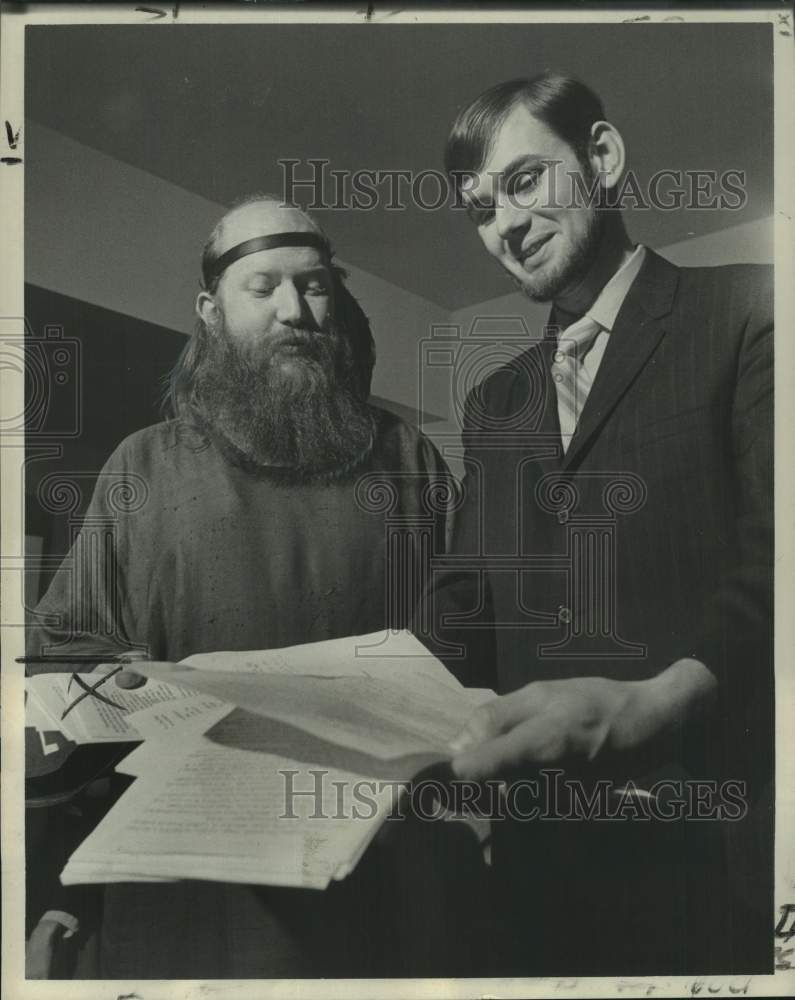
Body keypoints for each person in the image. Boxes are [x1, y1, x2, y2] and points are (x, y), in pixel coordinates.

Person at [25, 195, 485, 978]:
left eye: (313, 287)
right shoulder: (142, 467)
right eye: (263, 286)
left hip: (375, 866)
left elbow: (465, 647)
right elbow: (63, 665)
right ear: (211, 311)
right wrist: (126, 696)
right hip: (189, 877)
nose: (295, 310)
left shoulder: (409, 461)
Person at [428, 73, 773, 974]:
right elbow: (463, 599)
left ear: (603, 158)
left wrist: (648, 707)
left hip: (718, 848)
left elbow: (777, 558)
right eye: (477, 210)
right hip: (540, 870)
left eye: (523, 182)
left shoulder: (747, 311)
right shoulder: (492, 402)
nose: (502, 224)